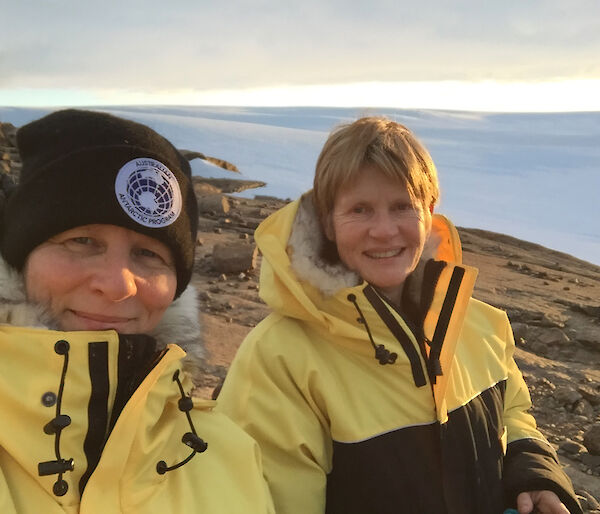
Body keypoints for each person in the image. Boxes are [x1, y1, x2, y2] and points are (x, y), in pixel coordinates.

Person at [217, 117, 582, 514]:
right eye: (360, 209)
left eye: (402, 206)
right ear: (327, 221)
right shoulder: (278, 360)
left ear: (429, 213)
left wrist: (533, 474)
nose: (384, 230)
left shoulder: (479, 325)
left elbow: (514, 415)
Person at [0, 109, 274, 513]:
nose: (117, 284)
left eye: (148, 253)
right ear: (21, 261)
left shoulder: (229, 456)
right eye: (82, 241)